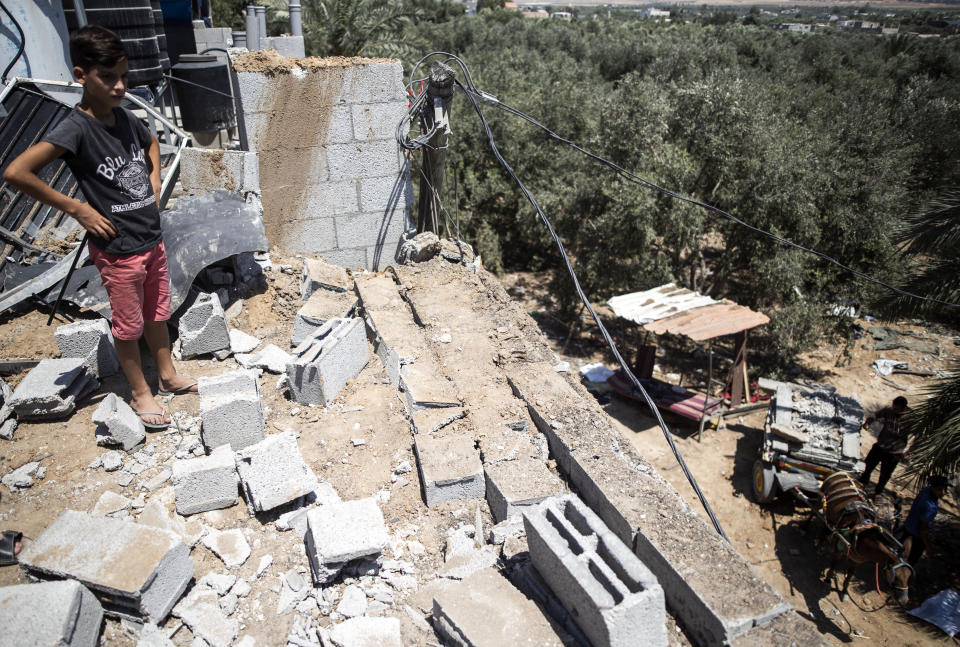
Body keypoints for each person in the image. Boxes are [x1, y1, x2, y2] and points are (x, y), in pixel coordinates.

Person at [2, 25, 196, 428]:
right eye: (108, 78)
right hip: (119, 249)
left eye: (124, 76)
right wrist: (78, 209)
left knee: (157, 315)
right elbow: (17, 171)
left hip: (150, 240)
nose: (119, 86)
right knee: (129, 326)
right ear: (80, 75)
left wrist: (155, 179)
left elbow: (151, 143)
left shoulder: (125, 118)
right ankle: (140, 392)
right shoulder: (76, 128)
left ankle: (167, 375)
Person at [859, 396, 909, 496]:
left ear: (903, 407)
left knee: (885, 476)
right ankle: (862, 484)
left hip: (895, 452)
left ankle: (878, 493)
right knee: (867, 466)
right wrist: (868, 423)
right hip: (881, 445)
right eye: (893, 407)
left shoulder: (911, 418)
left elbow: (919, 436)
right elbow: (875, 415)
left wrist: (908, 450)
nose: (894, 410)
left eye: (897, 409)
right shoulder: (889, 411)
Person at [900, 475, 949, 565]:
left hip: (908, 527)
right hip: (916, 536)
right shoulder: (929, 507)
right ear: (933, 487)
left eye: (944, 489)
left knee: (901, 553)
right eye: (939, 489)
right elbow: (922, 530)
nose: (943, 492)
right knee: (909, 561)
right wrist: (928, 547)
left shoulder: (926, 490)